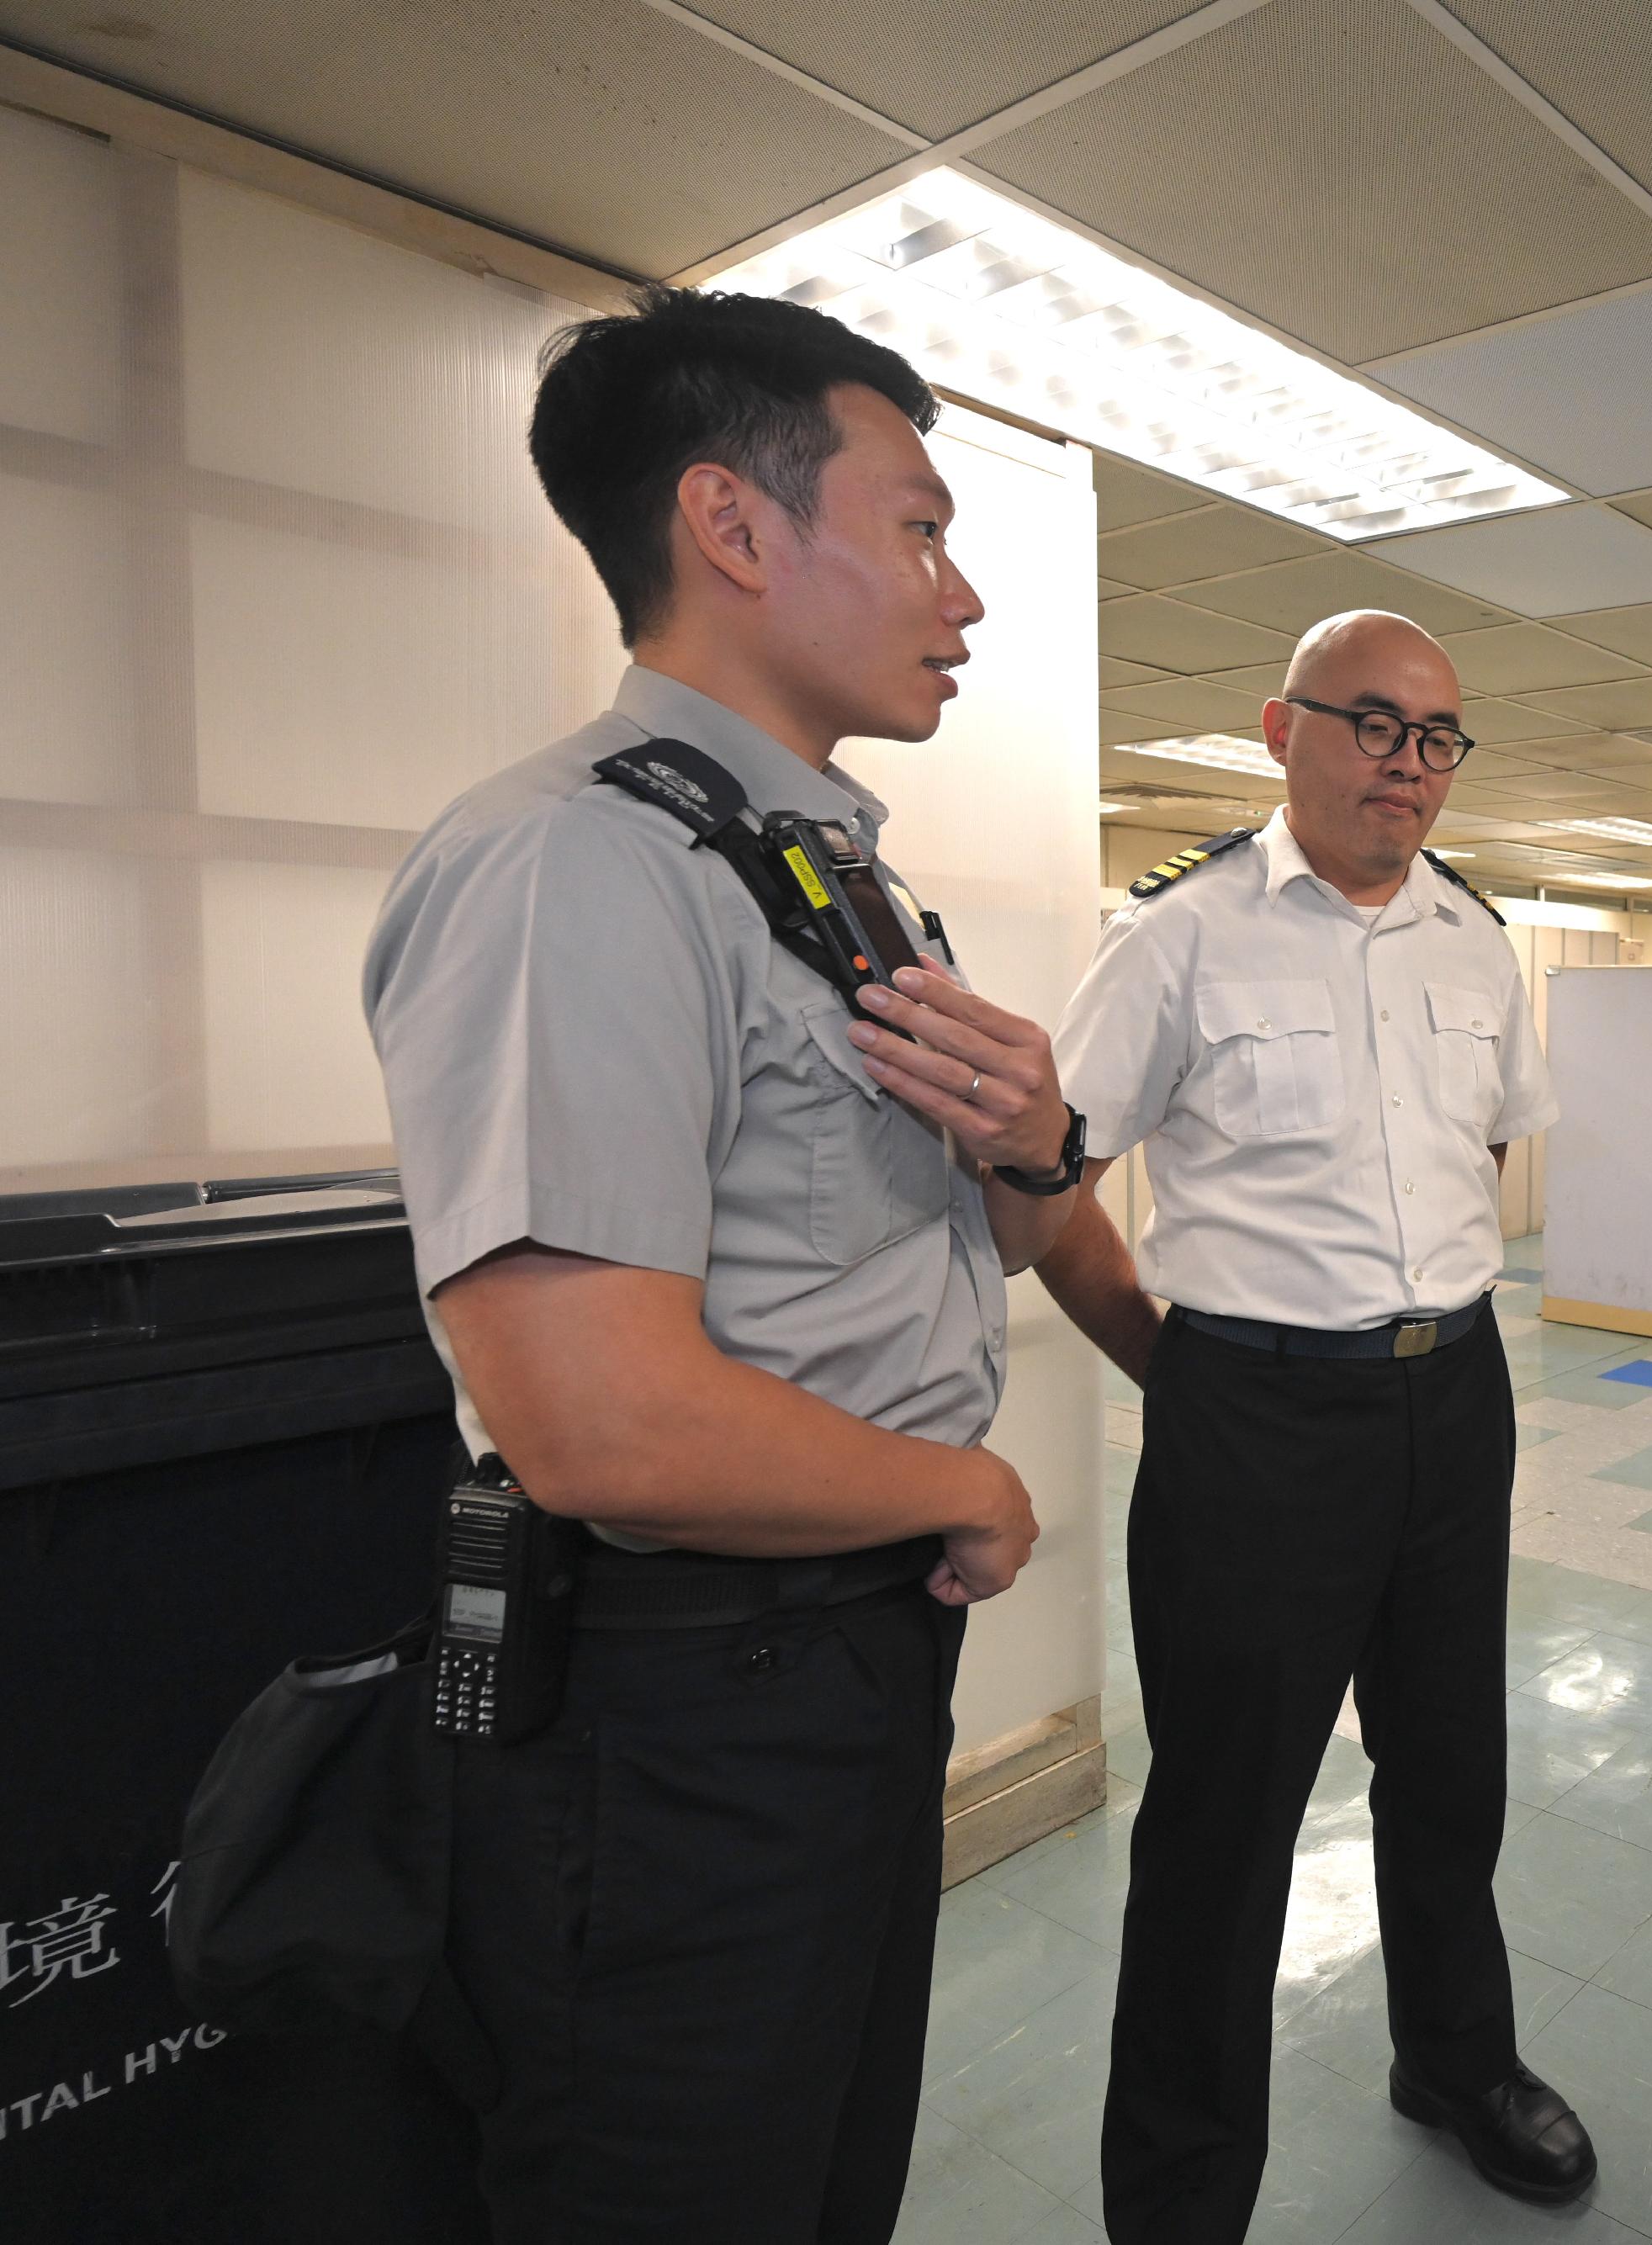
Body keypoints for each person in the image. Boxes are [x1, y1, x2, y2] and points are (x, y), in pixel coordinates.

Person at [363, 289, 1075, 2241]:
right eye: (919, 526)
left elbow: (947, 1249)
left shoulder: (823, 869)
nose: (965, 594)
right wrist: (974, 1485)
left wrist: (1037, 1145)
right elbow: (591, 1414)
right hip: (685, 1712)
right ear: (733, 525)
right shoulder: (569, 866)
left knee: (820, 2172)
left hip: (841, 1665)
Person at [1035, 611, 1586, 2242]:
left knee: (1447, 1766)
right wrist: (1181, 1363)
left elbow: (1480, 1151)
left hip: (1451, 1397)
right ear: (1280, 728)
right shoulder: (1177, 938)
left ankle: (1456, 2059)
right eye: (1371, 722)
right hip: (1252, 1416)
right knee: (1224, 1818)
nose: (1406, 763)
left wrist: (1415, 1326)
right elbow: (1042, 1178)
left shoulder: (1471, 941)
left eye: (1435, 736)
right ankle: (1183, 2192)